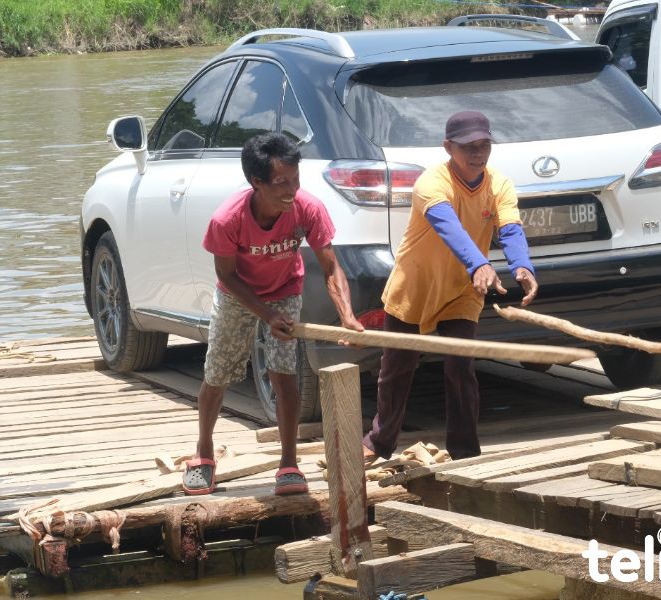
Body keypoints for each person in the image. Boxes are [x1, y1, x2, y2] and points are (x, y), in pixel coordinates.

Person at [184, 132, 364, 496]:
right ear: (256, 182)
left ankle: (288, 463)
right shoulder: (227, 220)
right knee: (218, 374)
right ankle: (203, 451)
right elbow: (226, 275)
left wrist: (346, 315)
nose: (291, 191)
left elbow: (331, 267)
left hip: (285, 289)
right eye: (281, 183)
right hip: (238, 294)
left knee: (284, 375)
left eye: (295, 181)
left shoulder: (307, 208)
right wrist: (266, 315)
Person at [363, 111, 539, 462]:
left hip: (462, 289)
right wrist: (481, 264)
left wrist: (522, 266)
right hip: (416, 287)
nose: (478, 153)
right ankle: (379, 443)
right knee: (397, 370)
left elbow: (510, 229)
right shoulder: (431, 183)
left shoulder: (499, 184)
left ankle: (465, 454)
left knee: (461, 369)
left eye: (484, 145)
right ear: (448, 147)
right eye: (468, 147)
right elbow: (449, 228)